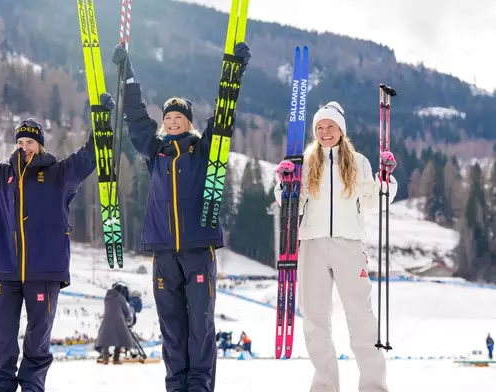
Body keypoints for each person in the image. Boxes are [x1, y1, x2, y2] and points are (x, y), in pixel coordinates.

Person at [106, 41, 251, 392]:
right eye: (168, 118)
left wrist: (234, 71)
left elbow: (224, 118)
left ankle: (199, 385)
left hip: (198, 249)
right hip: (164, 252)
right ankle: (177, 385)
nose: (171, 122)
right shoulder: (154, 151)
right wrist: (127, 76)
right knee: (171, 325)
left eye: (178, 118)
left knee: (200, 324)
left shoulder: (203, 149)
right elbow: (137, 117)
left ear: (188, 122)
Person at [0, 103, 99, 392]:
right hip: (6, 269)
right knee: (1, 338)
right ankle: (3, 385)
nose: (25, 146)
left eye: (30, 142)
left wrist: (102, 122)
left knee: (38, 338)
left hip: (45, 270)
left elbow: (89, 157)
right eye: (21, 142)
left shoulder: (59, 175)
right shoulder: (1, 176)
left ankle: (32, 386)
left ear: (39, 144)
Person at [274, 102, 398, 392]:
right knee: (315, 318)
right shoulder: (304, 162)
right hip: (312, 245)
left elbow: (374, 200)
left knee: (361, 317)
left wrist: (386, 178)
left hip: (349, 245)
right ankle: (325, 385)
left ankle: (373, 385)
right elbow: (291, 204)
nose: (325, 131)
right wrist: (284, 184)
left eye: (330, 126)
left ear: (341, 130)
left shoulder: (359, 162)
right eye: (319, 127)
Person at [95, 282, 134, 364]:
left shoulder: (107, 298)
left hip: (106, 319)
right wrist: (128, 319)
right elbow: (126, 310)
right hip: (118, 320)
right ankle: (116, 359)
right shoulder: (120, 297)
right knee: (120, 338)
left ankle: (105, 359)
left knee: (106, 339)